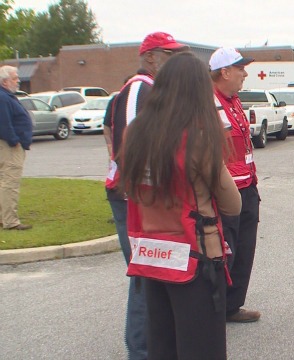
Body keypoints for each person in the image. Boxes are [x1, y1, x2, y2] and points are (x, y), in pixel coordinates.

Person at [120, 51, 241, 360]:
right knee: (201, 348)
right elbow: (232, 204)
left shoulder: (136, 134)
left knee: (163, 345)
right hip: (195, 257)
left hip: (152, 255)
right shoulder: (199, 137)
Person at [102, 31, 188, 359]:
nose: (175, 61)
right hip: (137, 199)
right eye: (170, 55)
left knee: (149, 274)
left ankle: (151, 346)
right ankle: (141, 351)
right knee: (145, 274)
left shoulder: (151, 88)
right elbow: (133, 149)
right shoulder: (141, 87)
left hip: (142, 197)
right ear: (151, 56)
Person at [209, 47, 262, 323]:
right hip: (226, 192)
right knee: (224, 253)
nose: (245, 73)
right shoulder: (207, 101)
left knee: (244, 251)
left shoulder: (234, 100)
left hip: (248, 186)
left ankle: (232, 306)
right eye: (240, 68)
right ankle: (212, 311)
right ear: (225, 72)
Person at [0, 65, 32, 231]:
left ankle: (4, 217)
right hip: (9, 147)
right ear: (5, 82)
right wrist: (14, 140)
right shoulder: (3, 98)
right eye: (14, 78)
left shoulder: (6, 96)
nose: (18, 80)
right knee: (10, 182)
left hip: (9, 145)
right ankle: (10, 221)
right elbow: (4, 123)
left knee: (4, 182)